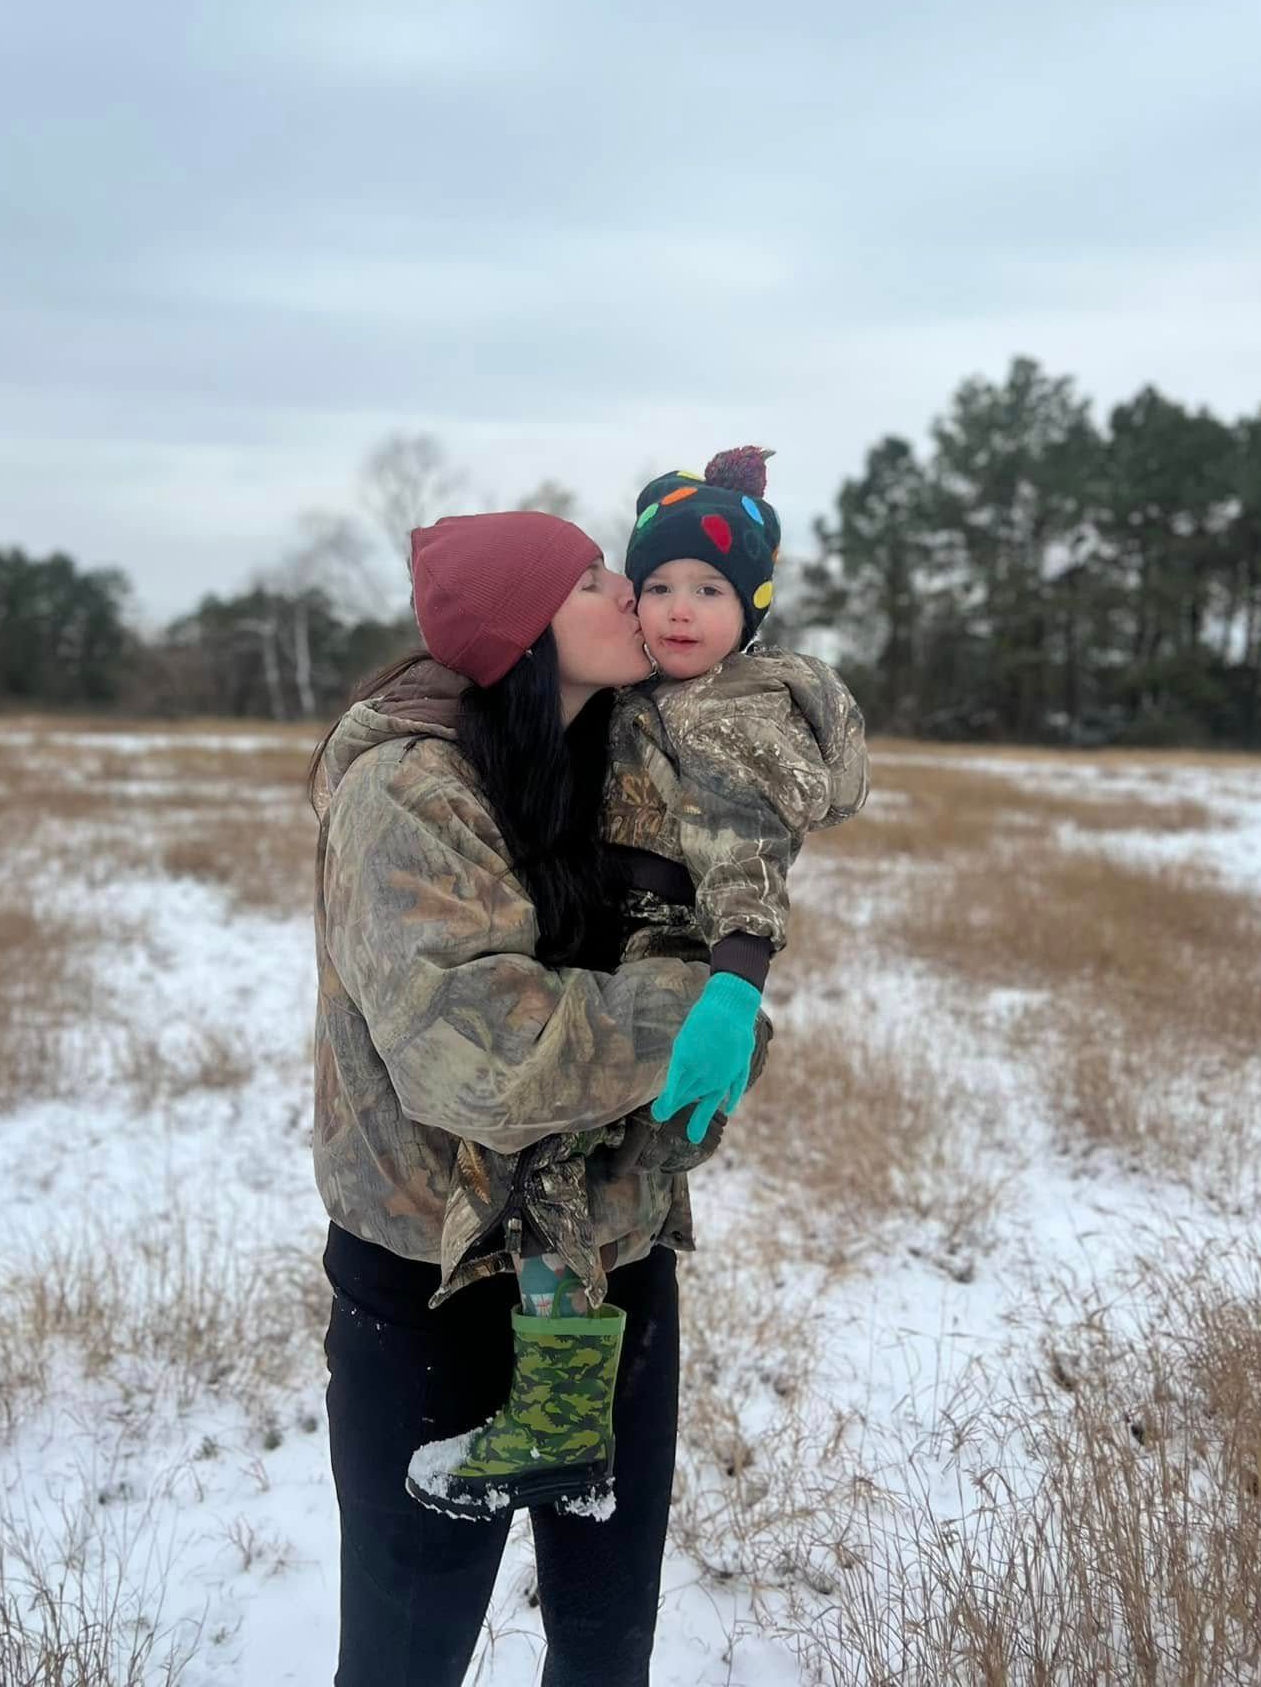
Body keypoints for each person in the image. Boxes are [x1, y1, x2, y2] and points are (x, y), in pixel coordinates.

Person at [410, 448, 869, 1523]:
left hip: (669, 957)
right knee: (577, 1166)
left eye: (709, 591)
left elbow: (748, 858)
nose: (673, 608)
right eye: (655, 584)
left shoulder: (722, 715)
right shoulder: (667, 694)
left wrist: (734, 985)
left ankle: (563, 1426)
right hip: (619, 948)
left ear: (754, 608)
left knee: (551, 1163)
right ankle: (569, 1421)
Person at [309, 509, 719, 1687]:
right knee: (405, 1651)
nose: (631, 592)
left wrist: (721, 1015)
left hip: (613, 1262)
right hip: (436, 1277)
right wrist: (693, 1018)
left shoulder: (630, 761)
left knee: (605, 1646)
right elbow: (483, 1056)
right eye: (594, 580)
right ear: (524, 633)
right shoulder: (406, 791)